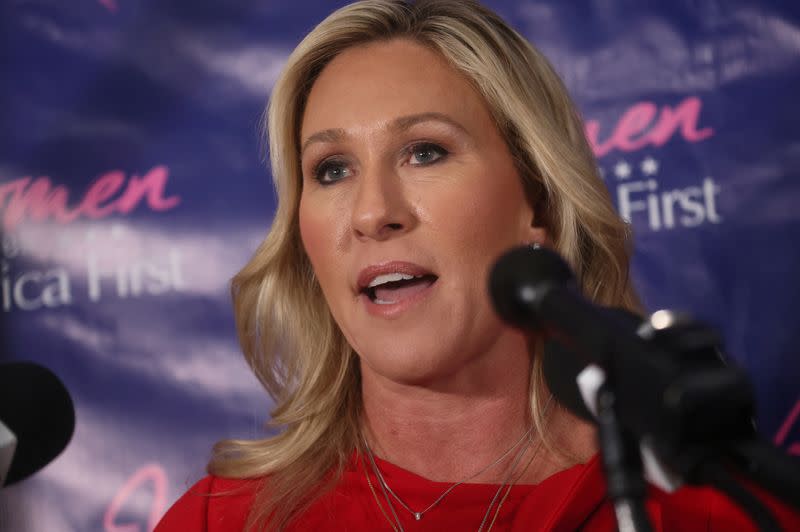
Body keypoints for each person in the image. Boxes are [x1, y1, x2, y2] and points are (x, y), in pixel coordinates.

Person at [156, 1, 799, 530]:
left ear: (538, 201)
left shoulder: (704, 511)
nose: (372, 212)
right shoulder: (224, 521)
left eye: (425, 152)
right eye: (331, 169)